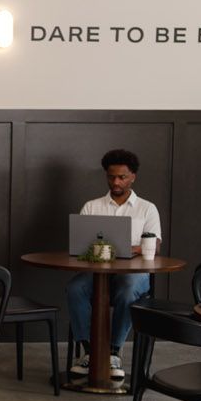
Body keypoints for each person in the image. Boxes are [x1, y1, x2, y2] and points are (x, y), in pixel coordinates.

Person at [65, 149, 162, 380]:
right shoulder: (92, 207)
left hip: (134, 274)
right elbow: (81, 244)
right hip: (98, 272)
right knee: (75, 288)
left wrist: (126, 249)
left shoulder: (147, 208)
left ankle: (113, 352)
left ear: (132, 177)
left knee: (128, 288)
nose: (116, 182)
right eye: (111, 177)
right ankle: (90, 352)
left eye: (122, 177)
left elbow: (154, 245)